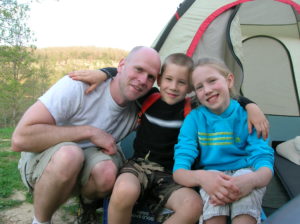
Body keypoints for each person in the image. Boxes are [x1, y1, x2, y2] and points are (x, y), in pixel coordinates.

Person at [70, 54, 269, 224]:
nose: (173, 87)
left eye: (182, 82)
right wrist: (104, 73)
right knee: (124, 191)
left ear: (190, 88)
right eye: (168, 79)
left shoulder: (192, 108)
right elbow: (130, 76)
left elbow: (222, 95)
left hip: (170, 174)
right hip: (139, 166)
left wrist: (251, 105)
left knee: (193, 206)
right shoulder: (149, 97)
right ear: (159, 79)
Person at [11, 46, 161, 224]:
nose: (143, 80)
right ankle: (41, 221)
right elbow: (20, 139)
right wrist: (89, 132)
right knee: (70, 155)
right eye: (139, 69)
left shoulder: (141, 106)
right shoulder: (78, 85)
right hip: (45, 157)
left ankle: (86, 207)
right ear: (122, 65)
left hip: (87, 161)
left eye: (151, 76)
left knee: (106, 172)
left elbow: (172, 98)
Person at [173, 57, 274, 224]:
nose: (207, 90)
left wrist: (252, 180)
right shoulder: (194, 120)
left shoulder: (249, 117)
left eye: (212, 81)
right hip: (212, 176)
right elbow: (179, 171)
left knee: (245, 210)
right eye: (199, 87)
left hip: (246, 173)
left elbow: (264, 163)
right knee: (214, 216)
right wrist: (202, 178)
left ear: (229, 80)